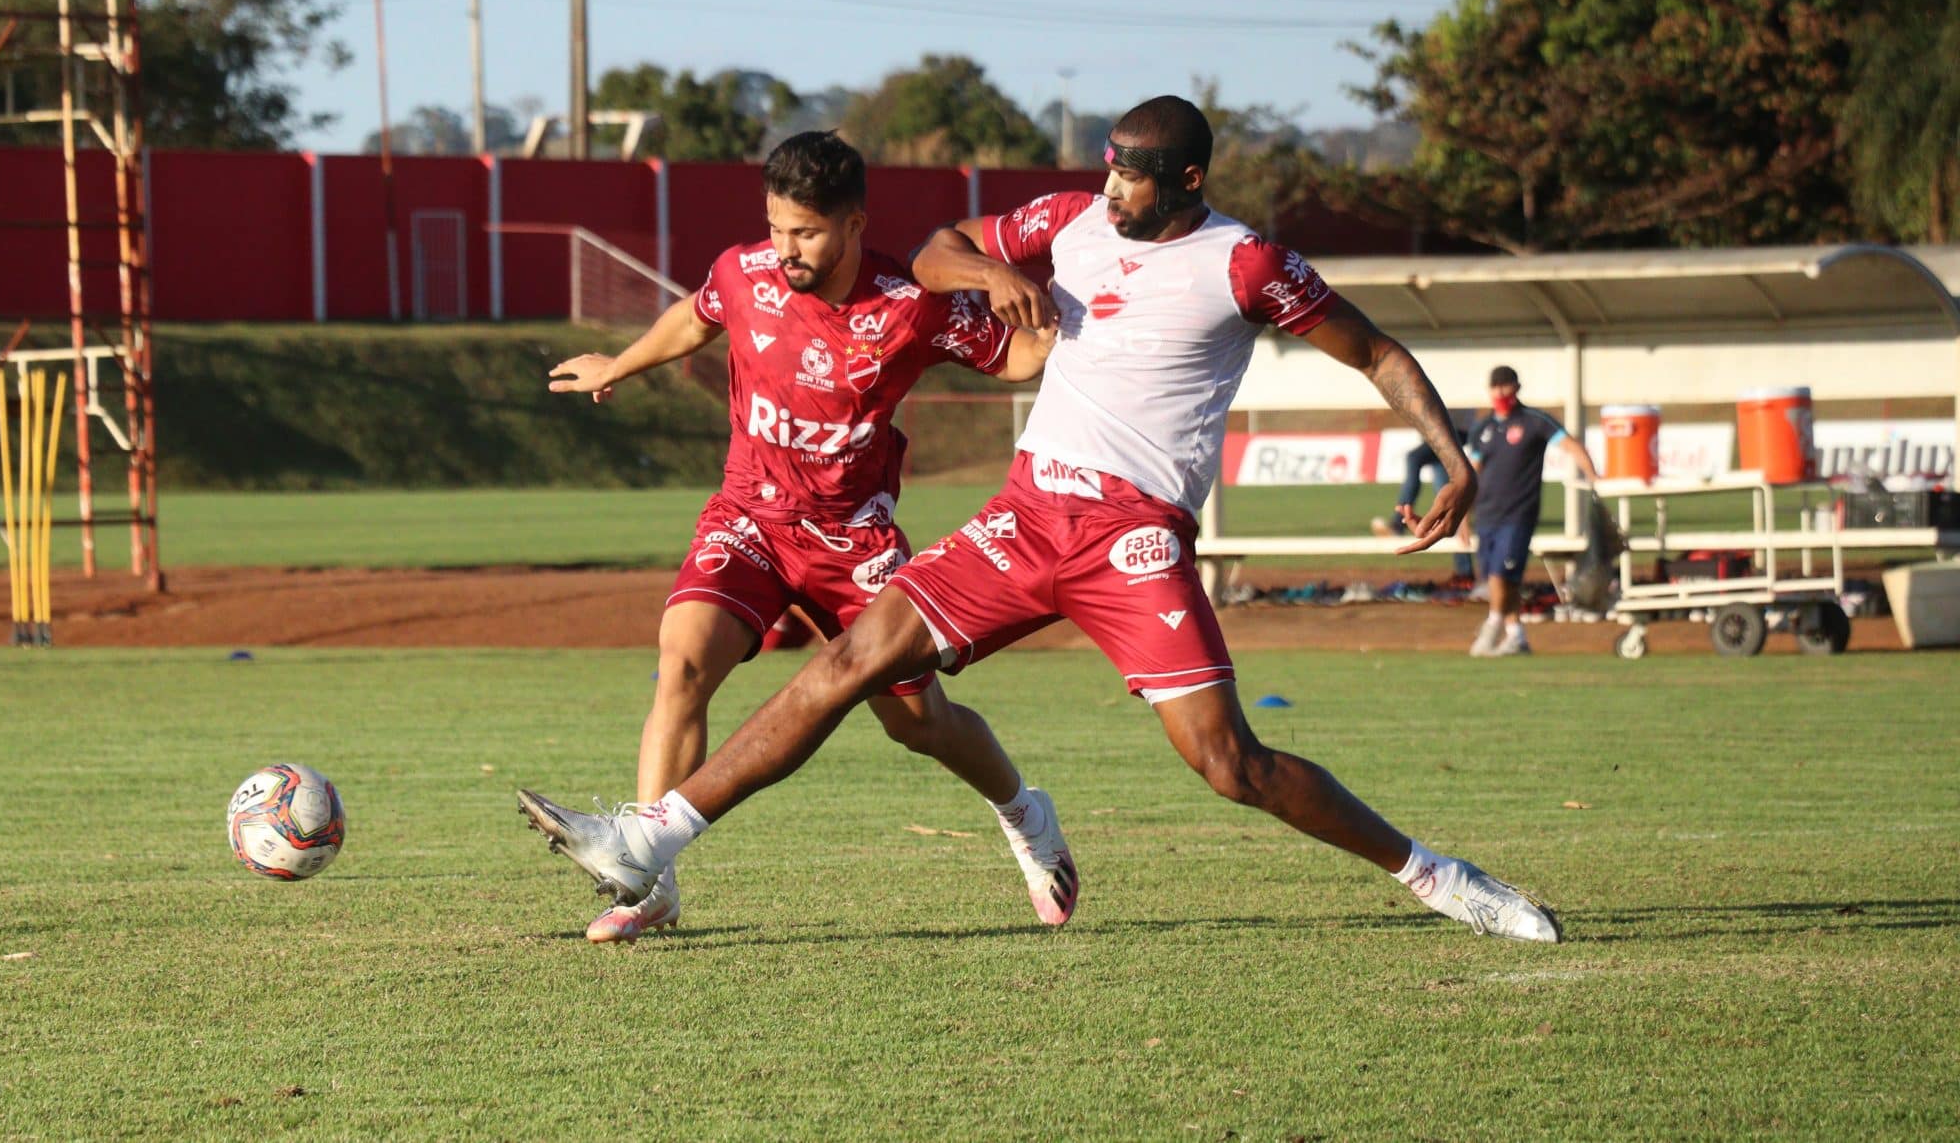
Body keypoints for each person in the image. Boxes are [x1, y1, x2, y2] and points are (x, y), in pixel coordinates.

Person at [521, 98, 1560, 943]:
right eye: (1106, 166)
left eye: (1131, 175)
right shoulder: (1068, 218)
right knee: (844, 668)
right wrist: (993, 272)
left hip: (1131, 535)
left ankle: (1438, 878)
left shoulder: (1244, 265)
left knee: (1227, 764)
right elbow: (941, 248)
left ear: (1187, 181)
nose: (1108, 188)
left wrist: (1454, 450)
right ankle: (649, 841)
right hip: (1022, 513)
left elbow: (1373, 349)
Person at [519, 132, 1077, 942]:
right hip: (748, 517)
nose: (786, 249)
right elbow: (696, 316)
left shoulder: (909, 304)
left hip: (854, 544)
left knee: (920, 724)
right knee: (681, 661)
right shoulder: (744, 272)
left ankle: (1025, 813)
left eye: (806, 233)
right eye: (777, 228)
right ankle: (648, 880)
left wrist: (1052, 315)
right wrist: (620, 365)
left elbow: (1022, 357)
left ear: (854, 224)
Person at [1465, 366, 1599, 657]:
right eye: (1495, 387)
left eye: (1506, 387)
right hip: (1486, 514)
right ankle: (1516, 636)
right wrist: (1461, 515)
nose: (1500, 393)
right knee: (1500, 579)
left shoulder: (1533, 421)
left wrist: (1593, 477)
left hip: (1518, 514)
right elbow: (1471, 475)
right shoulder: (1482, 429)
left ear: (1516, 388)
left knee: (1501, 575)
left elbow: (1571, 446)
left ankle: (1492, 626)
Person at [1371, 411, 1476, 578]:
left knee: (1414, 458)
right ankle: (1464, 572)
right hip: (1440, 432)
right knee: (1449, 507)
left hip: (1451, 432)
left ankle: (1398, 523)